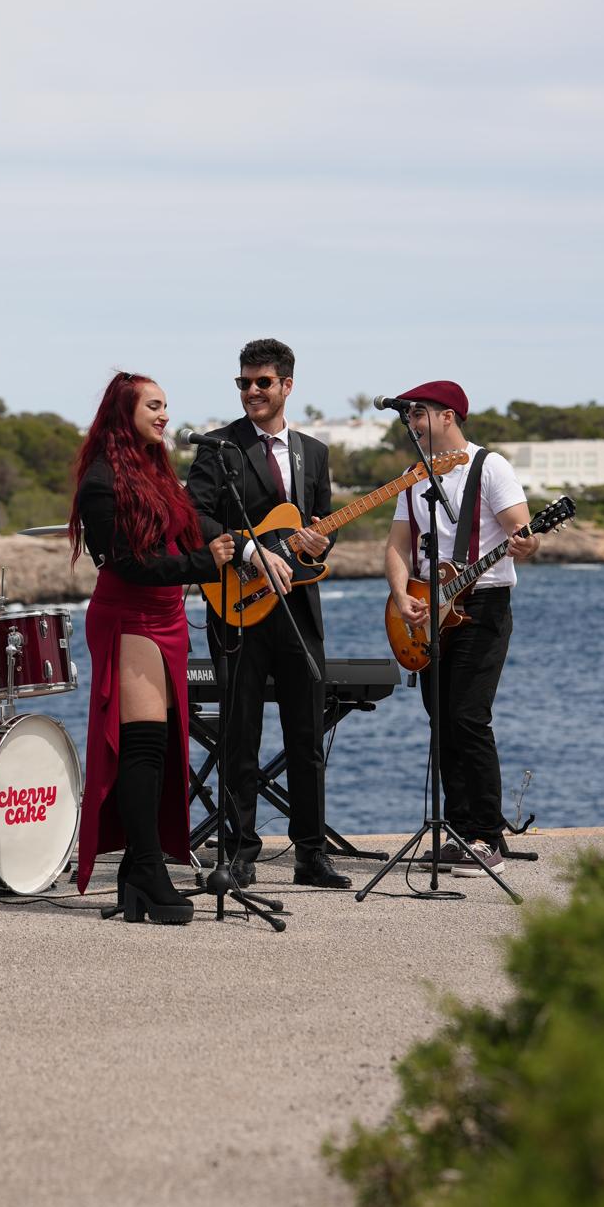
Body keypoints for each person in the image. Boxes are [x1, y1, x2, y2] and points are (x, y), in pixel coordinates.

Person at [186, 337, 351, 889]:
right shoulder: (216, 448)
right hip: (236, 607)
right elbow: (194, 519)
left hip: (299, 608)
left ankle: (311, 852)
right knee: (240, 732)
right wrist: (251, 549)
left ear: (287, 386)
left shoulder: (314, 452)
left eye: (262, 382)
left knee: (306, 732)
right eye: (243, 382)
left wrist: (317, 544)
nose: (251, 391)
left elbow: (321, 522)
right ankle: (238, 852)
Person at [69, 372, 234, 924]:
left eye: (166, 406)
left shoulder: (157, 470)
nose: (164, 416)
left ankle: (138, 875)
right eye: (154, 406)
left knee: (161, 749)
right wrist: (201, 564)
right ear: (126, 411)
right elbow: (128, 564)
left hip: (166, 616)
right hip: (129, 614)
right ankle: (144, 867)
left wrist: (246, 543)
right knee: (140, 747)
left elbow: (187, 528)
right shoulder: (101, 480)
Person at [384, 380, 535, 876]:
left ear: (449, 416)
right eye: (408, 414)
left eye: (420, 413)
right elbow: (398, 546)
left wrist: (525, 545)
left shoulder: (490, 467)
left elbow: (523, 530)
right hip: (429, 607)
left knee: (469, 717)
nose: (412, 421)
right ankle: (456, 829)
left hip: (484, 604)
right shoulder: (412, 476)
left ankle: (487, 836)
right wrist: (401, 593)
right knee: (442, 721)